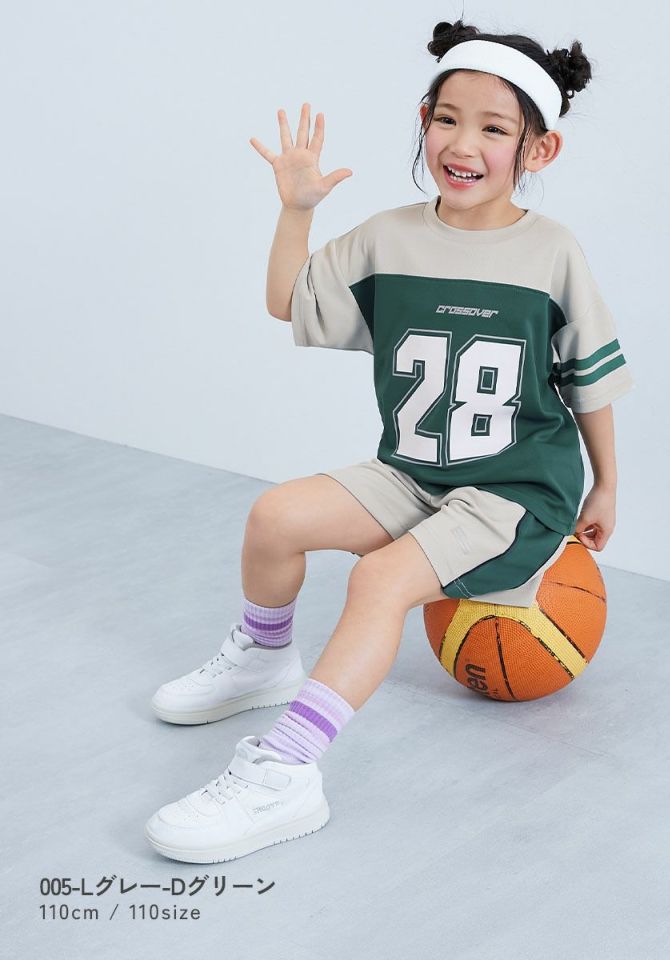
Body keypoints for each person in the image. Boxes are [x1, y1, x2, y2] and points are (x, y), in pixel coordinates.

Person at [145, 19, 635, 864]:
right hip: (414, 473)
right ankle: (264, 660)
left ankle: (286, 775)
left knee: (378, 580)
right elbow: (287, 301)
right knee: (275, 517)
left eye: (493, 128)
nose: (463, 144)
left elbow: (587, 379)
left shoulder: (553, 252)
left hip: (515, 493)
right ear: (423, 120)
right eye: (447, 119)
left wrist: (607, 485)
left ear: (539, 150)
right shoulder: (388, 236)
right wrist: (297, 210)